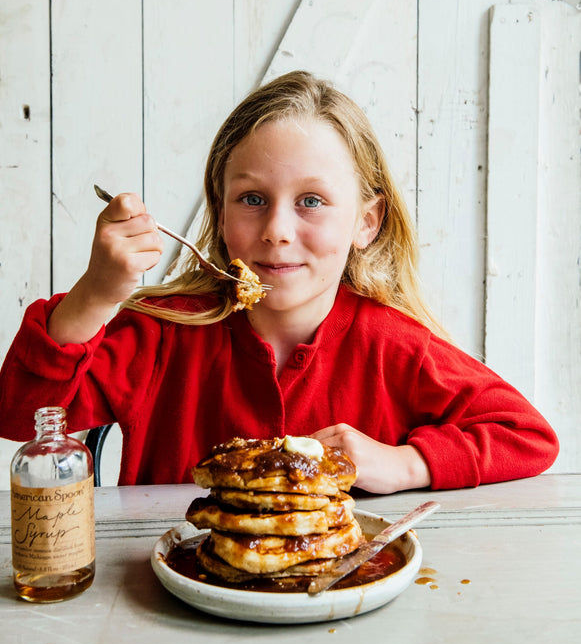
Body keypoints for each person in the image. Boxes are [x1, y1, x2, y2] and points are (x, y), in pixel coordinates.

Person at [0, 71, 558, 491]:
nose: (277, 231)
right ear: (220, 213)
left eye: (311, 201)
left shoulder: (396, 348)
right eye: (252, 200)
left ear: (367, 222)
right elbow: (18, 414)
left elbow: (528, 436)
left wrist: (407, 463)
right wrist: (95, 294)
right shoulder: (162, 334)